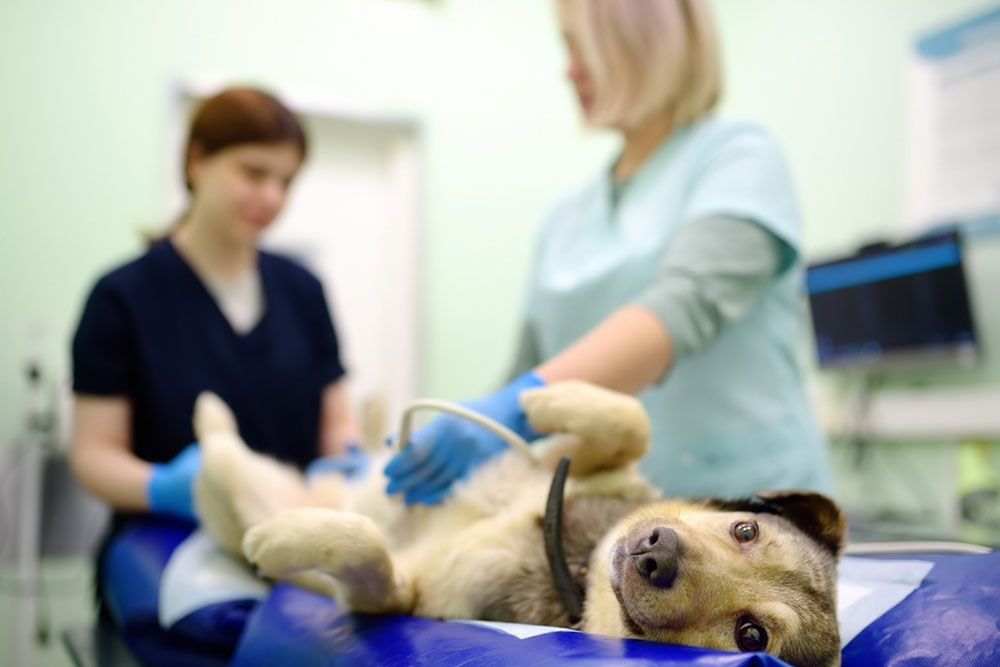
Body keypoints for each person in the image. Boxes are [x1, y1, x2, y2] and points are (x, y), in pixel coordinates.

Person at [385, 0, 834, 505]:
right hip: (620, 520)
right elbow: (530, 371)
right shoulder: (567, 216)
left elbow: (682, 306)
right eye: (566, 47)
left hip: (754, 509)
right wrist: (444, 439)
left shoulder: (739, 158)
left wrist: (514, 411)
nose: (568, 69)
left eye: (582, 46)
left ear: (645, 44)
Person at [70, 87, 365, 609]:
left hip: (285, 549)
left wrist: (346, 464)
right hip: (167, 552)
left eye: (286, 181)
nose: (271, 197)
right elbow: (93, 452)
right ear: (197, 161)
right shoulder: (123, 297)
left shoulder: (302, 290)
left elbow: (335, 421)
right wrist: (163, 487)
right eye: (254, 174)